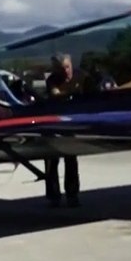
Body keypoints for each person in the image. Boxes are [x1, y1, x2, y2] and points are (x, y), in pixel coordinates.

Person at [43, 54, 80, 206]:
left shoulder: (81, 76)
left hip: (71, 124)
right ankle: (53, 197)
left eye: (67, 67)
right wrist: (74, 95)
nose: (66, 71)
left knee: (71, 160)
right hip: (54, 122)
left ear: (71, 65)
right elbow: (55, 94)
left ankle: (72, 195)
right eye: (62, 68)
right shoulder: (52, 80)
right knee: (51, 161)